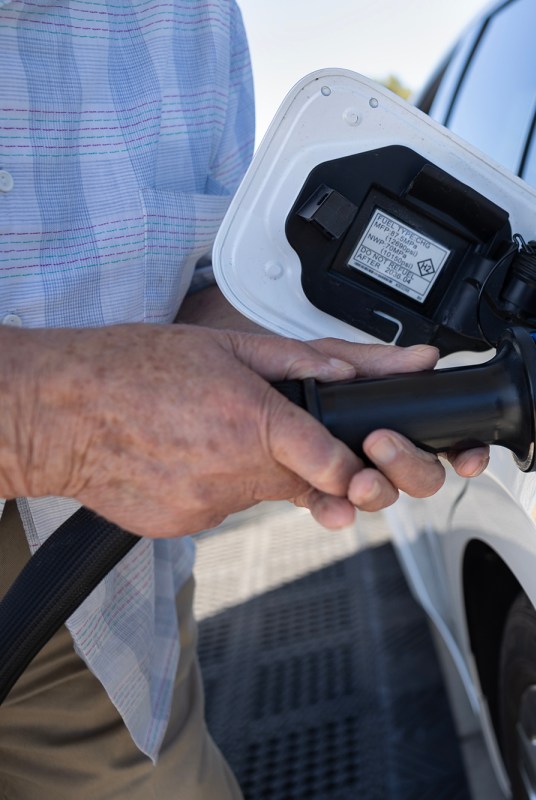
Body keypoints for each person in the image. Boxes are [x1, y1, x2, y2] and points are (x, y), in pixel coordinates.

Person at [0, 1, 486, 796]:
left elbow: (200, 283)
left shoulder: (189, 18)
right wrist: (64, 422)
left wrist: (297, 364)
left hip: (96, 600)